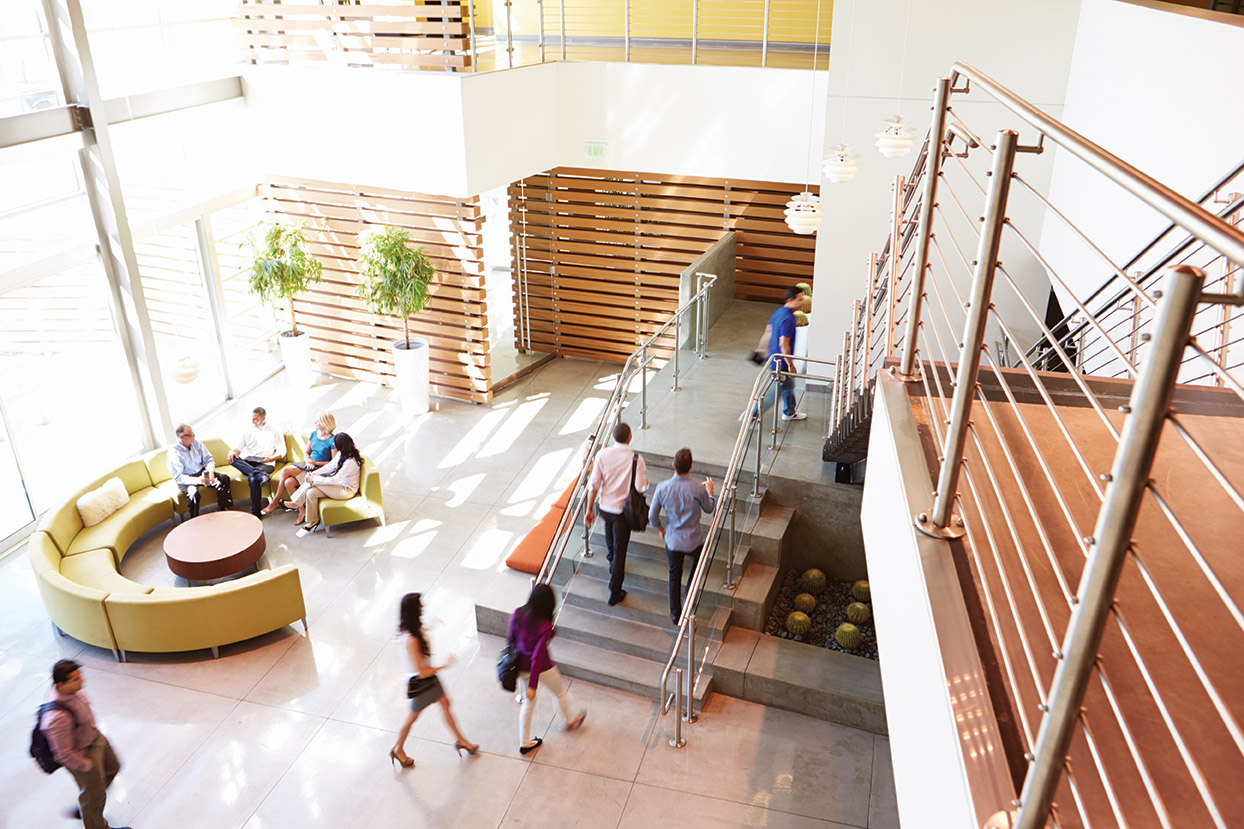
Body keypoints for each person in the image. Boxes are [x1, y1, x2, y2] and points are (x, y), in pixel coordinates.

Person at [389, 593, 477, 769]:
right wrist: (444, 666)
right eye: (419, 604)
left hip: (429, 680)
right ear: (414, 610)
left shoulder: (412, 630)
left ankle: (461, 740)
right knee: (412, 717)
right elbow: (421, 672)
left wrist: (431, 627)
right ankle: (397, 749)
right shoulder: (411, 639)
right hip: (421, 683)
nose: (423, 606)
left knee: (445, 703)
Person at [40, 660, 130, 829]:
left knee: (113, 768)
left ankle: (87, 805)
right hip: (84, 754)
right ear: (61, 684)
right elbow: (63, 753)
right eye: (75, 679)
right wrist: (86, 765)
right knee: (95, 795)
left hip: (96, 739)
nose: (82, 681)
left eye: (80, 677)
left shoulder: (75, 692)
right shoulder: (56, 718)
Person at [508, 584, 586, 755]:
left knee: (529, 703)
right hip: (542, 668)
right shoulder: (545, 627)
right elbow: (537, 657)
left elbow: (511, 638)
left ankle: (525, 742)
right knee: (558, 693)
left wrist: (528, 687)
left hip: (519, 666)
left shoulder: (517, 613)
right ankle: (570, 721)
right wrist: (533, 686)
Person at [648, 448, 717, 626]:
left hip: (673, 541)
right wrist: (710, 492)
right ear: (691, 466)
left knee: (674, 576)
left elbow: (652, 516)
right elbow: (709, 509)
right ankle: (689, 595)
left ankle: (675, 614)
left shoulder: (662, 488)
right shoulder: (696, 489)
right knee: (697, 567)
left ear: (673, 465)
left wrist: (660, 530)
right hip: (694, 540)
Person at [585, 422, 648, 606]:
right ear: (630, 437)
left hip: (605, 508)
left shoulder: (602, 455)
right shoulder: (636, 459)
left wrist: (589, 509)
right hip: (623, 511)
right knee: (621, 550)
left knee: (610, 532)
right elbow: (640, 487)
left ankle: (612, 560)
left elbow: (594, 484)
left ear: (614, 437)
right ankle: (614, 590)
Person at [746, 285, 808, 423]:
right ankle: (751, 416)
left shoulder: (777, 312)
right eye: (799, 299)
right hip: (781, 363)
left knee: (788, 386)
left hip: (773, 359)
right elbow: (783, 344)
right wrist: (790, 365)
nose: (802, 302)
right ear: (790, 300)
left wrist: (760, 350)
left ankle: (789, 412)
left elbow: (767, 333)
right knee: (775, 392)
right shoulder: (789, 319)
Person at [261, 411, 336, 516]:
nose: (314, 422)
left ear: (325, 423)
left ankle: (275, 501)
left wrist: (315, 462)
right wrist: (308, 460)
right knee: (289, 482)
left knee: (286, 470)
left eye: (317, 421)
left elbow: (333, 463)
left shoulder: (332, 440)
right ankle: (302, 510)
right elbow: (306, 452)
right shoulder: (314, 434)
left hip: (319, 469)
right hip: (308, 465)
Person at [286, 432, 362, 533]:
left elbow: (334, 479)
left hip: (346, 491)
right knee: (310, 493)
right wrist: (313, 473)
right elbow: (330, 466)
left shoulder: (350, 462)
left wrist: (313, 478)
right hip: (339, 486)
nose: (334, 445)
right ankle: (313, 520)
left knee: (313, 482)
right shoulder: (342, 453)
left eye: (335, 443)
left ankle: (296, 503)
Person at [226, 406, 285, 516]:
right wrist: (233, 452)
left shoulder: (274, 430)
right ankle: (260, 474)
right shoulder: (247, 430)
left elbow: (282, 450)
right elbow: (239, 447)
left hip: (265, 462)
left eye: (255, 419)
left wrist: (271, 458)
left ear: (263, 418)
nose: (252, 421)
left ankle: (255, 512)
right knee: (232, 458)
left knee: (253, 479)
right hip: (250, 461)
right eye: (252, 418)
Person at [166, 423, 232, 518]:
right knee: (193, 493)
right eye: (191, 435)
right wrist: (197, 480)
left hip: (200, 472)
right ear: (182, 437)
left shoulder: (197, 444)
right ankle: (194, 518)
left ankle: (222, 508)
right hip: (186, 478)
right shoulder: (173, 452)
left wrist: (210, 472)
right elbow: (178, 477)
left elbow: (208, 459)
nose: (194, 436)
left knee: (224, 478)